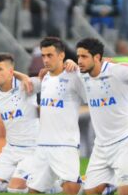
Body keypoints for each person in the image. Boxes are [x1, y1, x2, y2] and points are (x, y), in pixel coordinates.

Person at [74, 37, 128, 195]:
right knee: (90, 192)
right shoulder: (81, 75)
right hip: (101, 146)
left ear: (97, 57)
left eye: (84, 56)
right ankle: (121, 181)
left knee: (127, 192)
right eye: (78, 56)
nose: (79, 61)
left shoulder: (117, 71)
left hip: (125, 142)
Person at [26, 37, 85, 195]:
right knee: (33, 190)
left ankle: (91, 184)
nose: (45, 60)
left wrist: (78, 69)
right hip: (43, 145)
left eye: (50, 55)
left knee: (71, 188)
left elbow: (90, 95)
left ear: (61, 55)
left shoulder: (73, 75)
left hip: (65, 144)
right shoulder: (45, 77)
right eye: (43, 56)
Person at [0, 53, 39, 193]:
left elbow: (51, 79)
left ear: (11, 72)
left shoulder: (27, 84)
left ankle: (54, 185)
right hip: (10, 149)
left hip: (33, 150)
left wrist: (69, 62)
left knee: (15, 190)